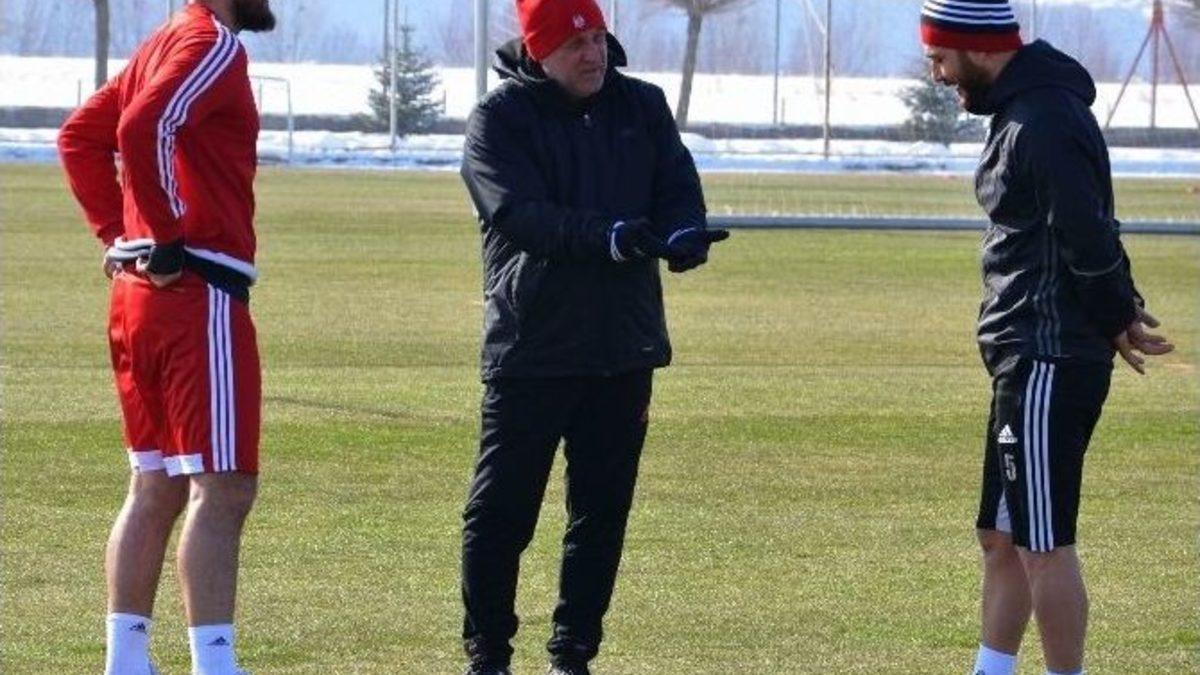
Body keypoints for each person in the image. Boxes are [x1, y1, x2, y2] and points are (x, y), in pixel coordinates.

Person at [458, 0, 729, 672]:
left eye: (599, 39)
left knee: (602, 513)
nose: (594, 55)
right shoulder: (498, 119)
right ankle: (488, 653)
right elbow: (519, 214)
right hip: (532, 347)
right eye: (575, 45)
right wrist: (607, 236)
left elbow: (676, 184)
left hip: (623, 347)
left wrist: (684, 233)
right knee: (500, 513)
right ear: (538, 51)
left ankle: (573, 653)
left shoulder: (643, 105)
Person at [918, 2, 1175, 674]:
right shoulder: (1021, 110)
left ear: (980, 47)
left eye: (941, 57)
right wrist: (1117, 307)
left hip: (1047, 355)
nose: (937, 74)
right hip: (1023, 354)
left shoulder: (1044, 119)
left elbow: (1086, 232)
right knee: (1000, 535)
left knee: (1041, 540)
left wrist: (1116, 312)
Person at [57, 1, 276, 673]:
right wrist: (164, 235)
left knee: (155, 483)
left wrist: (115, 233)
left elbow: (79, 137)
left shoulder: (165, 40)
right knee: (224, 486)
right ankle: (215, 664)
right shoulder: (213, 42)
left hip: (139, 296)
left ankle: (127, 659)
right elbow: (140, 125)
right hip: (193, 291)